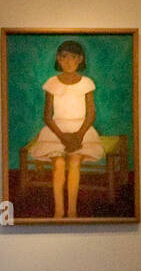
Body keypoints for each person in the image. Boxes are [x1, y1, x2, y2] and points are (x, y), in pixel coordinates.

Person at [28, 40, 104, 218]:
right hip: (57, 129)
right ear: (58, 59)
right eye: (64, 57)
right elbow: (47, 115)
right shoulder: (51, 83)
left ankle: (72, 210)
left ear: (80, 59)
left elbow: (91, 114)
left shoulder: (86, 83)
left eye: (73, 57)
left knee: (75, 161)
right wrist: (63, 137)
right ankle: (59, 210)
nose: (69, 62)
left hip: (81, 129)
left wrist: (78, 135)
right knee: (59, 164)